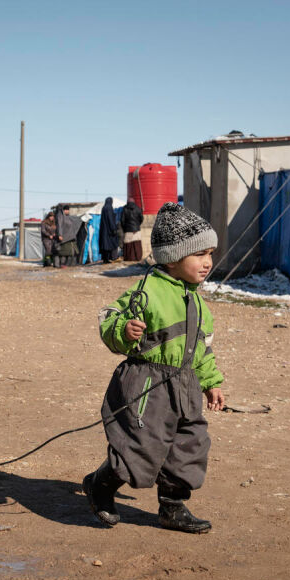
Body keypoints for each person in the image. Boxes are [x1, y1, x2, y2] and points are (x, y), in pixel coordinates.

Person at [84, 202, 225, 533]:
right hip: (149, 385)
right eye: (200, 254)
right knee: (139, 446)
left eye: (210, 254)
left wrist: (211, 382)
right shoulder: (146, 290)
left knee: (188, 446)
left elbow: (201, 349)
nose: (208, 263)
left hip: (186, 385)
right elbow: (110, 318)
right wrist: (124, 330)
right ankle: (101, 484)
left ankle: (172, 507)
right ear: (173, 257)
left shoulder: (198, 301)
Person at [98, 197, 122, 263]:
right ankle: (113, 257)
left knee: (105, 246)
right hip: (109, 231)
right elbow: (110, 219)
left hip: (104, 231)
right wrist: (113, 228)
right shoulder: (109, 208)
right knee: (113, 243)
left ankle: (105, 259)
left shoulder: (103, 208)